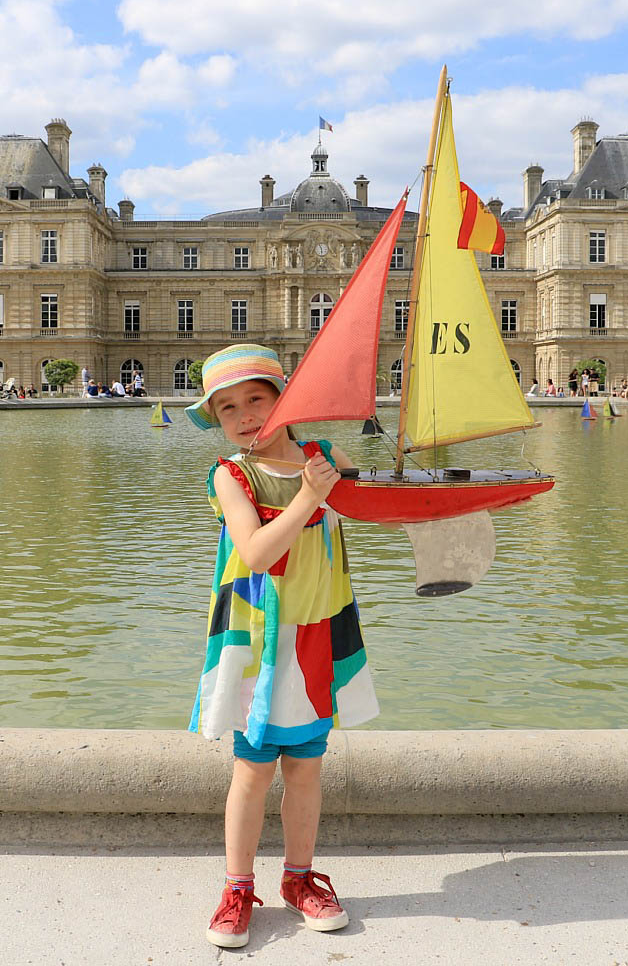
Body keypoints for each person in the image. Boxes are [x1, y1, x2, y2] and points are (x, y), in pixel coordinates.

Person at [185, 344, 371, 949]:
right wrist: (311, 498)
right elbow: (259, 551)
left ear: (286, 399)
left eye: (256, 399)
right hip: (258, 640)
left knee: (307, 767)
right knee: (252, 769)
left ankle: (299, 879)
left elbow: (373, 507)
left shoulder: (325, 457)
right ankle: (238, 886)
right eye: (227, 408)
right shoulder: (230, 474)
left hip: (316, 632)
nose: (242, 416)